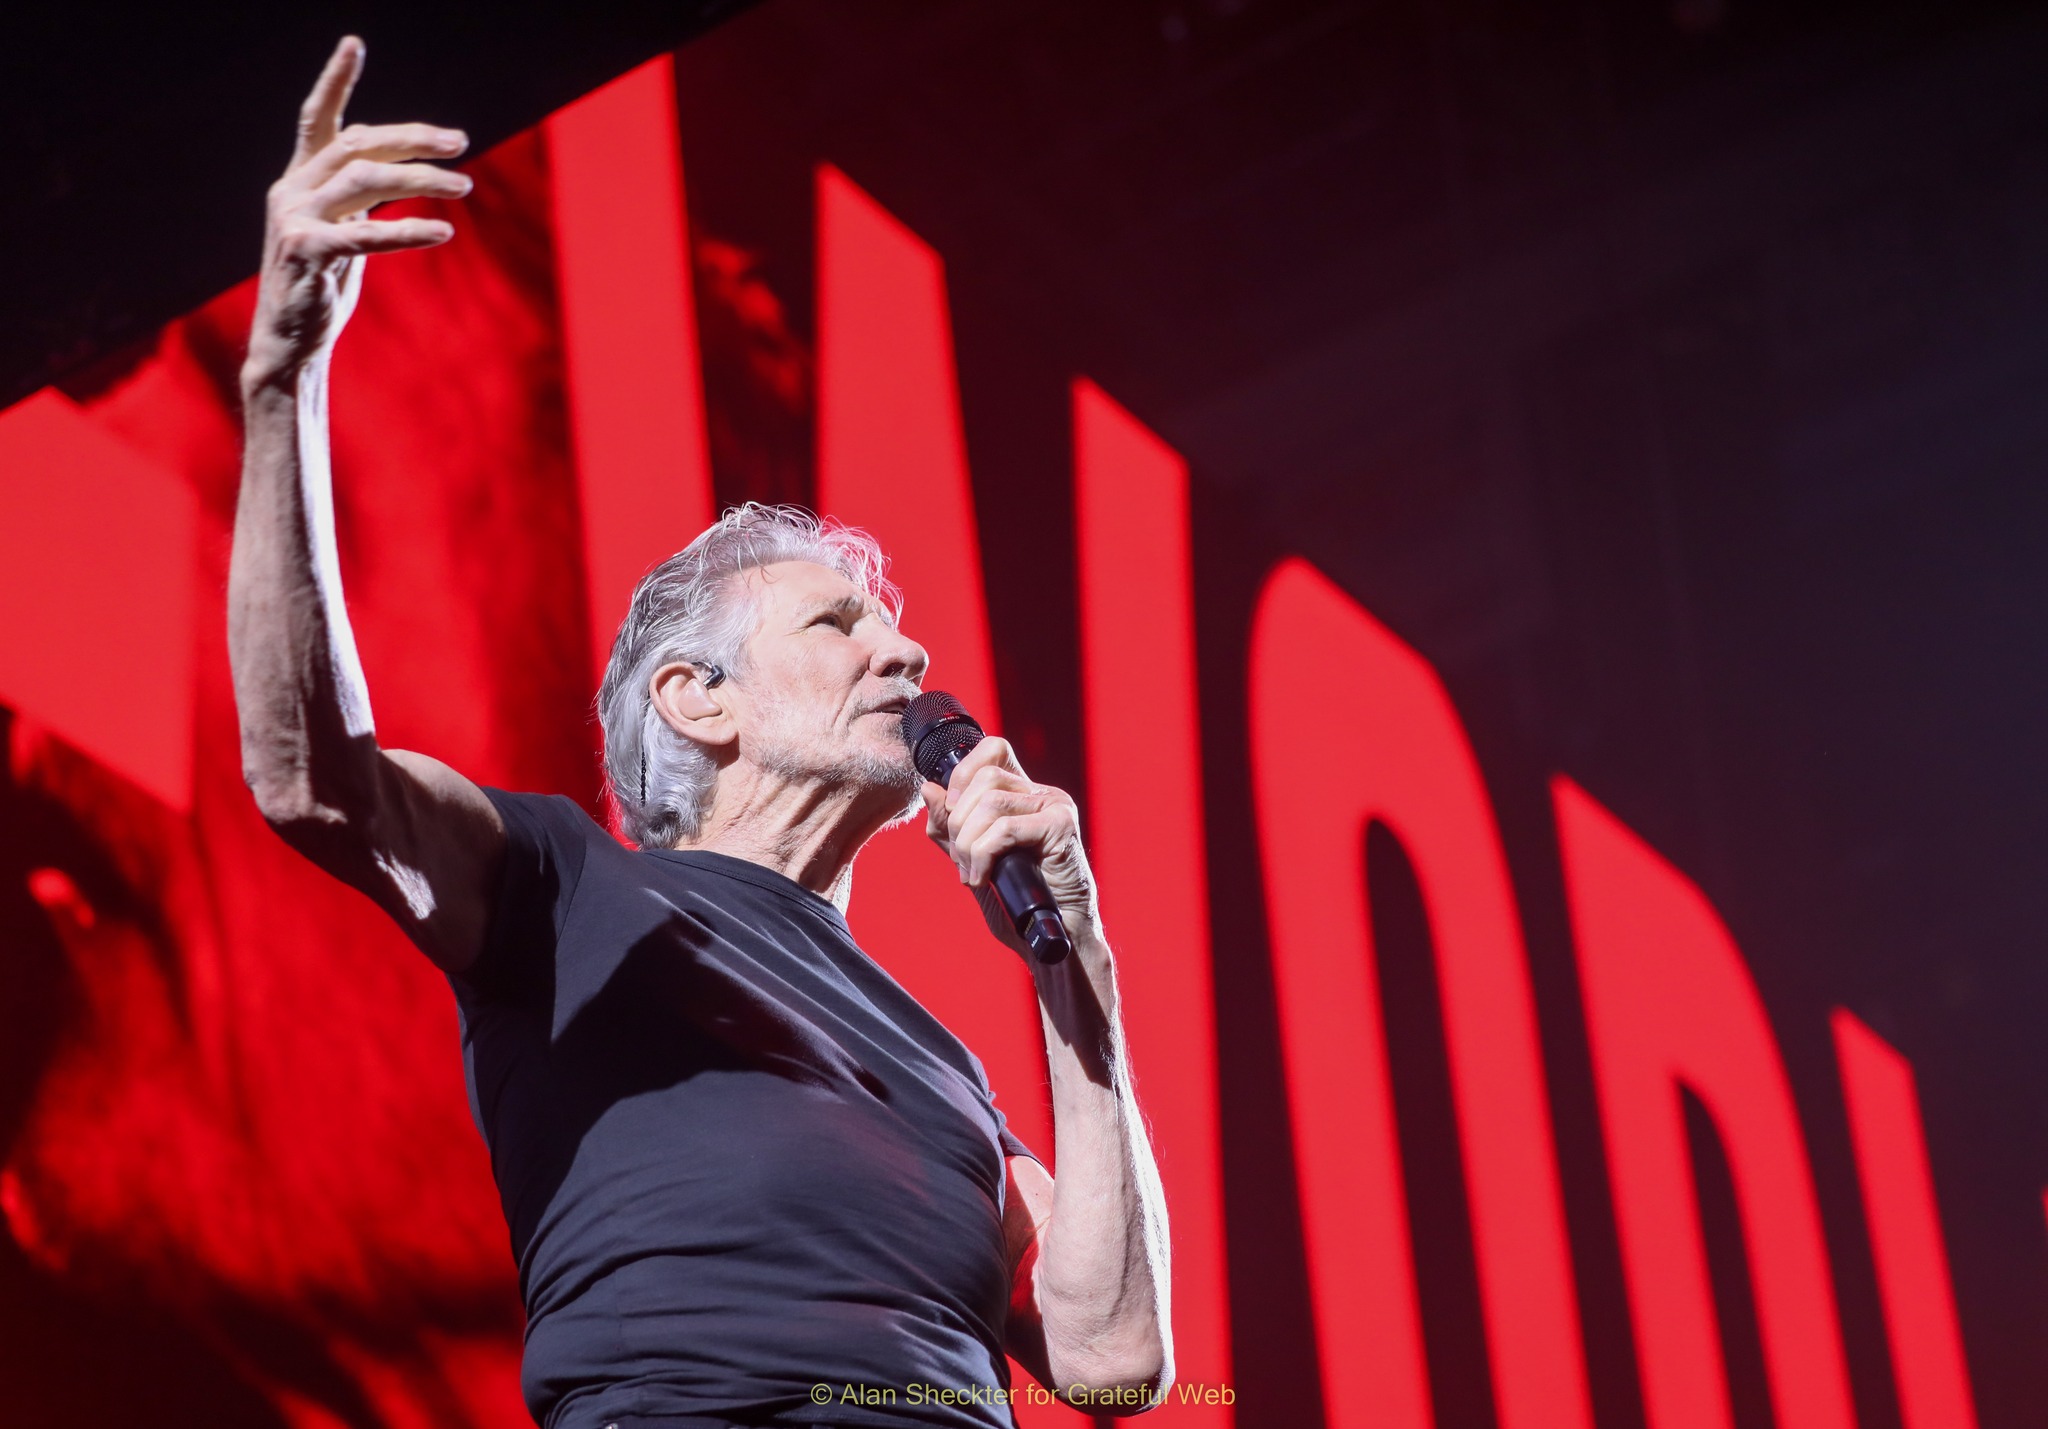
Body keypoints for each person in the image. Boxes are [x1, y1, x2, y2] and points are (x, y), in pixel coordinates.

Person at [227, 35, 1173, 1429]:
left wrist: (1076, 959)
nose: (903, 649)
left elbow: (1114, 1356)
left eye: (889, 626)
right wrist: (280, 384)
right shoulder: (568, 881)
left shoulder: (949, 1071)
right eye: (836, 626)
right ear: (697, 698)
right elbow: (309, 778)